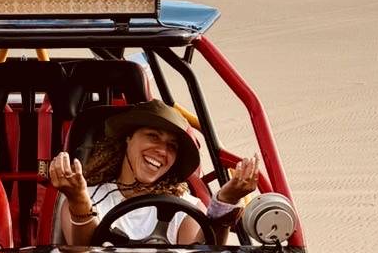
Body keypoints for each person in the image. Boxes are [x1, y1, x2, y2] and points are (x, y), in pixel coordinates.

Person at [47, 101, 261, 245]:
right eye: (153, 136)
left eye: (172, 146)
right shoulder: (87, 197)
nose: (162, 151)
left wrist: (225, 202)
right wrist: (78, 200)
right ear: (128, 139)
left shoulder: (185, 207)